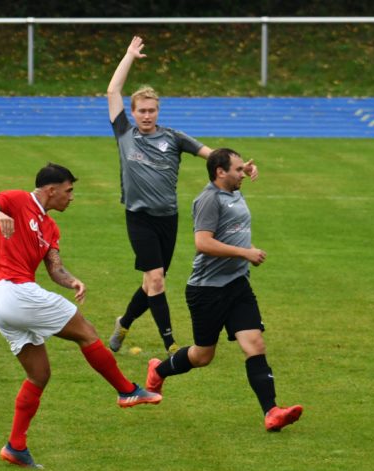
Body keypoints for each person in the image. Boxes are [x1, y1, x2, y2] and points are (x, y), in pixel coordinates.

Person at [0, 163, 162, 469]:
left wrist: (72, 281)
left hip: (6, 303)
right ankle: (126, 390)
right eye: (68, 191)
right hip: (14, 291)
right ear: (51, 190)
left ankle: (15, 446)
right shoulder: (17, 200)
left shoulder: (50, 227)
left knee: (39, 374)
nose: (72, 197)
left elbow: (54, 268)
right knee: (87, 332)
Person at [106, 36, 259, 356]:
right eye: (142, 111)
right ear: (132, 113)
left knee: (151, 284)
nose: (147, 116)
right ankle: (171, 343)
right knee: (157, 279)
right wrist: (129, 56)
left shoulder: (173, 138)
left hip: (168, 218)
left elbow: (213, 155)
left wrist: (242, 167)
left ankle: (124, 321)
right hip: (139, 217)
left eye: (152, 110)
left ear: (158, 111)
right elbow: (112, 91)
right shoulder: (124, 133)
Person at [145, 148, 303, 432]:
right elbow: (203, 243)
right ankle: (158, 370)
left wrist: (245, 169)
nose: (242, 173)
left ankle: (272, 412)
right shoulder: (208, 200)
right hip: (206, 291)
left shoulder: (232, 189)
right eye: (237, 169)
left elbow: (234, 183)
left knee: (255, 345)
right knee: (202, 356)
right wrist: (245, 253)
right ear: (220, 172)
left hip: (237, 286)